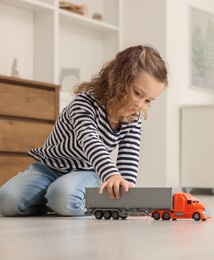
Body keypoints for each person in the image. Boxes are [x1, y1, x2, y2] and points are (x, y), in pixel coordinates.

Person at [0, 45, 168, 217]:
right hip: (48, 167)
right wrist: (111, 174)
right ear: (118, 80)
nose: (140, 105)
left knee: (63, 197)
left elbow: (129, 157)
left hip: (87, 170)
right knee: (6, 201)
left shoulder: (133, 117)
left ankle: (62, 200)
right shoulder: (84, 104)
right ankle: (51, 202)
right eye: (137, 93)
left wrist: (126, 194)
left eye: (148, 101)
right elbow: (90, 142)